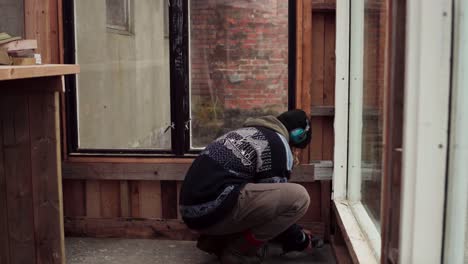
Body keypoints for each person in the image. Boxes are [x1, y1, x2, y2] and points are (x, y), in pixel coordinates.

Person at [179, 109, 323, 264]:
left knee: (243, 192)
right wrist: (299, 239)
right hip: (213, 209)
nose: (293, 153)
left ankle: (218, 242)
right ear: (298, 135)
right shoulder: (277, 144)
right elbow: (275, 209)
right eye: (295, 148)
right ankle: (238, 252)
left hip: (192, 213)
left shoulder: (245, 133)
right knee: (299, 198)